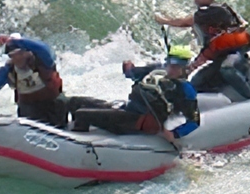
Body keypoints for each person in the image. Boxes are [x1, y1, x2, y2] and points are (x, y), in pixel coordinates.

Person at [70, 47, 201, 140]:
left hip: (135, 122)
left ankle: (75, 147)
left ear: (185, 69)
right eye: (169, 65)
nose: (171, 69)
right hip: (126, 109)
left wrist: (175, 134)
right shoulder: (156, 70)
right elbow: (132, 74)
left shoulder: (185, 90)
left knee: (82, 114)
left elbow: (194, 121)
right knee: (74, 102)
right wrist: (127, 66)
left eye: (176, 67)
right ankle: (57, 129)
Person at [156, 0, 250, 97]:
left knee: (226, 70)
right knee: (196, 83)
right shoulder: (223, 8)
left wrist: (163, 21)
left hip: (235, 55)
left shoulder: (212, 11)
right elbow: (208, 52)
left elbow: (184, 22)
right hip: (220, 58)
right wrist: (191, 68)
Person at [0, 34, 70, 128]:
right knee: (26, 109)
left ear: (27, 52)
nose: (18, 58)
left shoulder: (43, 60)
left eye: (20, 53)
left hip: (52, 104)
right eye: (13, 55)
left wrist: (12, 41)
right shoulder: (8, 70)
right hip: (29, 108)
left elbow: (41, 47)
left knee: (59, 104)